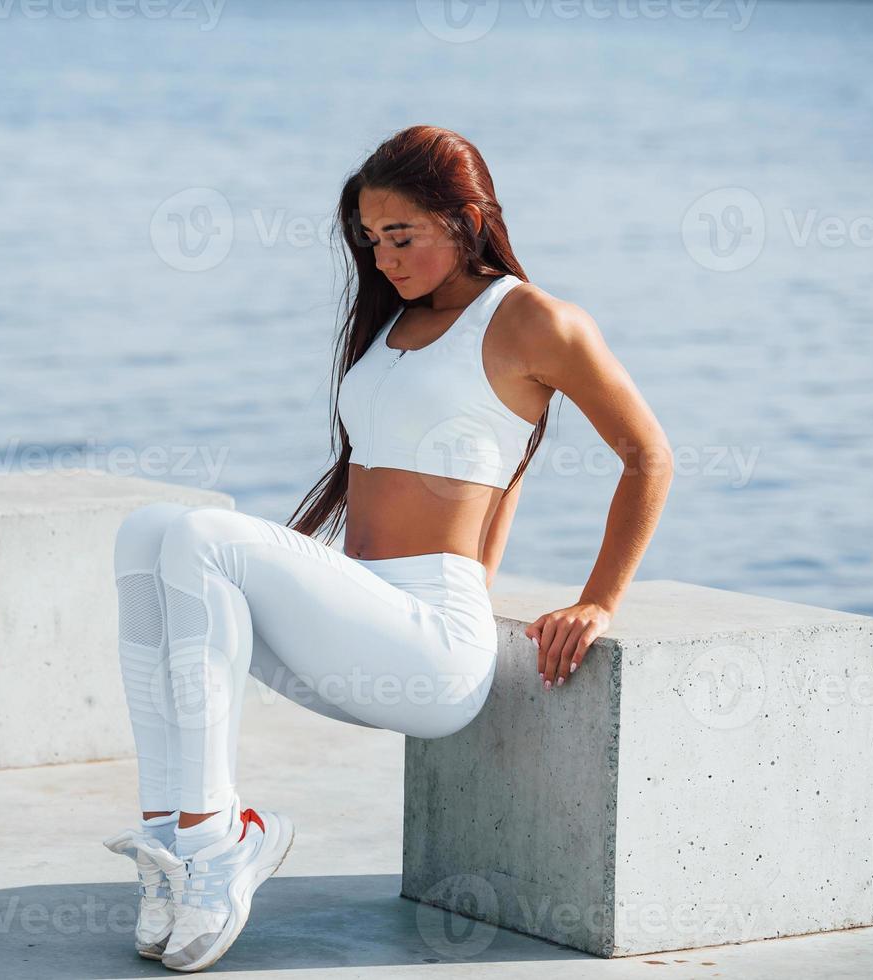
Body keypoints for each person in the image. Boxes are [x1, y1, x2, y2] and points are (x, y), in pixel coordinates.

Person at [102, 124, 673, 972]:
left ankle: (216, 835)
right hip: (360, 619)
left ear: (467, 217)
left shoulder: (535, 320)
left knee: (199, 536)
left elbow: (647, 455)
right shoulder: (395, 321)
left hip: (431, 643)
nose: (384, 259)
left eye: (400, 236)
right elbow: (490, 467)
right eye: (371, 241)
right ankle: (173, 845)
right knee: (146, 529)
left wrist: (599, 598)